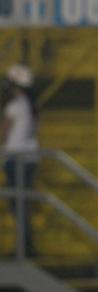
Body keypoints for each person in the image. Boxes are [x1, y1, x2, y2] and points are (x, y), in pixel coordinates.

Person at [1, 64, 37, 255]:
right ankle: (25, 246)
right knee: (23, 204)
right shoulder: (30, 107)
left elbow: (3, 133)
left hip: (16, 160)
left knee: (17, 204)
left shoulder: (15, 106)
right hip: (29, 159)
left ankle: (23, 249)